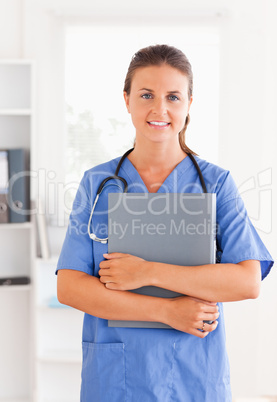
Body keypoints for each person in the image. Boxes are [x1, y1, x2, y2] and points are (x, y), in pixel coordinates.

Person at [56, 44, 273, 402]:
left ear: (189, 104)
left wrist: (149, 272)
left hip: (193, 372)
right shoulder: (97, 183)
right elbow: (70, 286)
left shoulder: (216, 184)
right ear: (126, 100)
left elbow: (247, 281)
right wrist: (166, 311)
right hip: (115, 378)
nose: (160, 109)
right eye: (146, 95)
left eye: (173, 96)